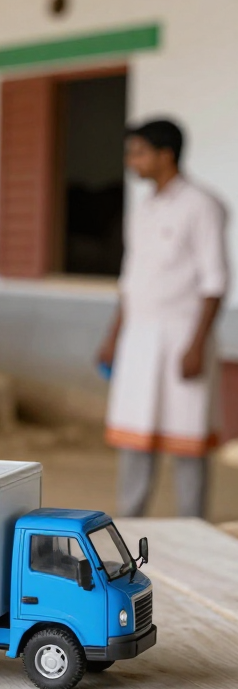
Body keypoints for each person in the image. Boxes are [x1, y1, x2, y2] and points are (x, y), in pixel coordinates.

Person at [98, 118, 229, 518]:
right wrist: (113, 336)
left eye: (138, 151)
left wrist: (196, 344)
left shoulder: (202, 205)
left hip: (182, 340)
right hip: (139, 339)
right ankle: (127, 525)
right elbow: (131, 281)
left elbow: (215, 281)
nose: (130, 160)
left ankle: (192, 529)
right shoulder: (143, 209)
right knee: (135, 438)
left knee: (186, 441)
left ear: (165, 155)